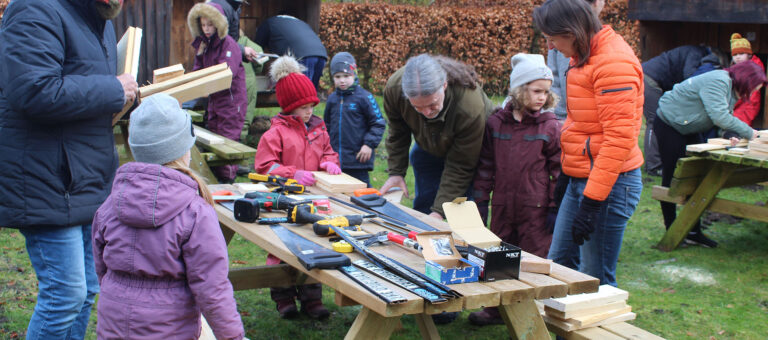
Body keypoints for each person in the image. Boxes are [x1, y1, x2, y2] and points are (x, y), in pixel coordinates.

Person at [0, 0, 138, 338]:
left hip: (83, 176)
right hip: (44, 178)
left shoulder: (97, 17)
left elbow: (84, 94)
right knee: (65, 295)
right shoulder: (33, 9)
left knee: (87, 290)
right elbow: (34, 91)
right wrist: (113, 89)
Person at [91, 93, 244, 339]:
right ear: (184, 149)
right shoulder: (195, 212)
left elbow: (101, 268)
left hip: (114, 327)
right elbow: (212, 289)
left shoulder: (110, 204)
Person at [534, 0, 644, 287]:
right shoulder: (583, 56)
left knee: (594, 278)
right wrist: (567, 173)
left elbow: (618, 140)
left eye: (552, 38)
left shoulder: (612, 63)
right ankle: (562, 331)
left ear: (571, 32)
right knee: (559, 264)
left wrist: (593, 203)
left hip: (611, 184)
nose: (551, 47)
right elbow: (581, 124)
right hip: (581, 178)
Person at [468, 54, 561, 326]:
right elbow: (486, 165)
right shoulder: (496, 124)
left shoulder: (550, 126)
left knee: (533, 261)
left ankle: (533, 315)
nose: (542, 97)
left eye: (546, 91)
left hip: (537, 209)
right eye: (536, 91)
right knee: (499, 257)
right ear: (520, 89)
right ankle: (497, 311)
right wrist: (481, 201)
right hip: (502, 206)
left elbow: (558, 172)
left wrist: (555, 207)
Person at [253, 55, 340, 320]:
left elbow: (328, 152)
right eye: (303, 107)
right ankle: (284, 299)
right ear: (290, 107)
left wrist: (329, 163)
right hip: (283, 202)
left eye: (312, 105)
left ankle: (312, 298)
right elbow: (264, 167)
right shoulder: (275, 133)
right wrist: (293, 174)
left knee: (315, 245)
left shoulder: (318, 129)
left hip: (315, 200)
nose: (309, 111)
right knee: (282, 249)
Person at [655, 61, 765, 248]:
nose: (753, 91)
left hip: (689, 125)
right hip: (670, 124)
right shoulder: (719, 81)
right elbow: (719, 116)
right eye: (754, 87)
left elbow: (724, 116)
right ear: (746, 79)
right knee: (674, 177)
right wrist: (751, 133)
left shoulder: (730, 88)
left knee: (698, 176)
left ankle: (693, 231)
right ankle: (672, 229)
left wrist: (730, 134)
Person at [379, 54, 493, 220]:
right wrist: (396, 172)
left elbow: (460, 165)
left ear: (444, 85)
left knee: (462, 215)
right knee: (420, 163)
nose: (426, 112)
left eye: (432, 104)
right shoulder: (394, 89)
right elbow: (398, 132)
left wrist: (439, 212)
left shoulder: (469, 107)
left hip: (470, 151)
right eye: (417, 107)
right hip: (429, 145)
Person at [188, 2, 248, 183]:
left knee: (227, 137)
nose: (206, 29)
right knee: (212, 133)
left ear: (218, 24)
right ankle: (215, 176)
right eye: (203, 25)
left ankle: (228, 178)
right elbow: (198, 71)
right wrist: (199, 56)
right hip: (214, 100)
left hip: (231, 101)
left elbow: (226, 74)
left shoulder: (229, 45)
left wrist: (206, 87)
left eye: (210, 25)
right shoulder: (205, 45)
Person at [642, 45, 720, 176]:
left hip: (656, 80)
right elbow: (689, 76)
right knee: (654, 120)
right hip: (650, 79)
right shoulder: (696, 53)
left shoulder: (694, 52)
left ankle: (665, 161)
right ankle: (653, 166)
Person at [323, 52, 386, 187]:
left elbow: (378, 123)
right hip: (335, 161)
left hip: (358, 160)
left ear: (354, 74)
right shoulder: (332, 99)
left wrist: (369, 144)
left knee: (361, 195)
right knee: (338, 194)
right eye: (337, 76)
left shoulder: (364, 97)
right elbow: (326, 126)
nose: (342, 80)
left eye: (346, 76)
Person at [546, 0, 605, 121]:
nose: (550, 45)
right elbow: (553, 77)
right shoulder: (565, 36)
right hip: (565, 118)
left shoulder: (606, 50)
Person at [254, 15, 328, 92]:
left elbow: (257, 49)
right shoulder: (299, 22)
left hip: (302, 55)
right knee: (311, 93)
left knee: (301, 93)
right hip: (321, 53)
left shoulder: (267, 24)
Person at [729, 33, 765, 127]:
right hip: (736, 106)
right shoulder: (736, 68)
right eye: (735, 54)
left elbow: (752, 97)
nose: (738, 57)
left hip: (747, 106)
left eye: (741, 53)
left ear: (749, 55)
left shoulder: (753, 69)